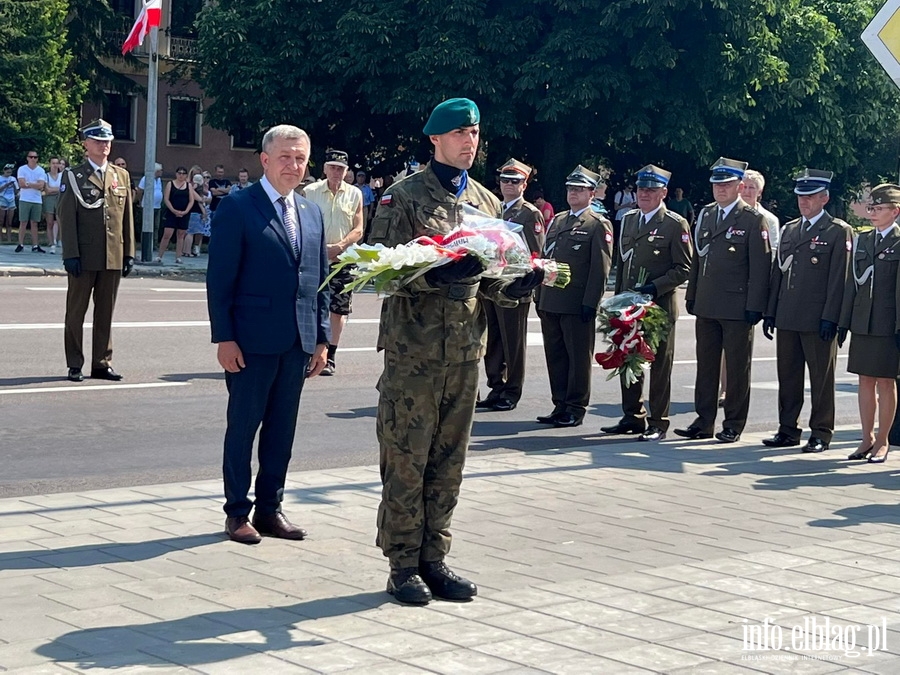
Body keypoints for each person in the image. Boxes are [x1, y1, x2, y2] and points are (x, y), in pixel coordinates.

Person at [368, 98, 542, 605]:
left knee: (449, 460)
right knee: (405, 458)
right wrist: (433, 275)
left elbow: (493, 284)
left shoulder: (487, 204)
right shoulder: (401, 198)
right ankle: (402, 565)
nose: (470, 142)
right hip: (414, 352)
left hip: (465, 351)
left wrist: (521, 282)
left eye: (475, 133)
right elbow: (379, 272)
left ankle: (434, 559)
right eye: (460, 133)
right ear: (436, 140)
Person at [206, 124, 331, 544]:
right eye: (284, 157)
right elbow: (219, 279)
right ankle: (236, 513)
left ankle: (270, 509)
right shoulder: (238, 207)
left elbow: (319, 280)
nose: (293, 165)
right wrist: (224, 337)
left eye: (300, 158)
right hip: (250, 341)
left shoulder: (311, 212)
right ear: (264, 159)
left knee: (282, 430)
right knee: (243, 428)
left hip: (297, 342)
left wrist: (321, 338)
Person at [676, 158, 770, 443]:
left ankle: (733, 423)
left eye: (727, 184)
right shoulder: (706, 215)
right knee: (706, 365)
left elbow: (761, 267)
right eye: (717, 184)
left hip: (737, 306)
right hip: (707, 302)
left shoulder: (753, 219)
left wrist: (756, 305)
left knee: (738, 368)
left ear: (740, 187)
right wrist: (692, 294)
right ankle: (704, 421)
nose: (720, 189)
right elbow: (698, 259)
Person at [761, 169, 850, 454]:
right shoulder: (789, 229)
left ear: (824, 198)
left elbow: (840, 279)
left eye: (810, 196)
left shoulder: (837, 231)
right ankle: (787, 429)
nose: (804, 201)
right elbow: (779, 273)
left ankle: (821, 432)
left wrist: (831, 316)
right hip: (788, 315)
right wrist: (771, 311)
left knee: (821, 379)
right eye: (801, 196)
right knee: (788, 376)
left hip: (817, 318)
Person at [601, 165, 692, 442]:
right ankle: (632, 416)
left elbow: (684, 267)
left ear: (664, 192)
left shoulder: (675, 224)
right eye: (641, 189)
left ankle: (658, 421)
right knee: (628, 358)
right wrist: (616, 302)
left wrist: (655, 287)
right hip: (629, 306)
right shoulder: (629, 220)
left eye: (652, 190)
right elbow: (624, 263)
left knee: (660, 364)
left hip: (658, 308)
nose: (645, 194)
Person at [536, 165, 614, 428]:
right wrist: (539, 294)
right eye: (570, 188)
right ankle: (560, 404)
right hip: (551, 301)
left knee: (578, 359)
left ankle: (575, 407)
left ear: (592, 193)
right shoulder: (558, 220)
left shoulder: (596, 224)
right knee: (556, 355)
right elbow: (546, 259)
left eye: (579, 189)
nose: (573, 193)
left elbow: (599, 269)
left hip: (575, 302)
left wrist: (590, 302)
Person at [58, 119, 134, 383]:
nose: (104, 145)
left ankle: (102, 362)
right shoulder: (74, 176)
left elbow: (127, 218)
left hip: (112, 255)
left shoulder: (120, 175)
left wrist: (129, 252)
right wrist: (70, 254)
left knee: (105, 314)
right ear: (86, 144)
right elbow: (67, 218)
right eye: (99, 141)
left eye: (108, 141)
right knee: (76, 313)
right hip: (84, 256)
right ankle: (75, 364)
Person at [477, 158, 545, 411]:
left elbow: (535, 253)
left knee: (513, 343)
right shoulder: (494, 209)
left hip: (515, 286)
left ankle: (512, 390)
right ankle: (496, 385)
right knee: (493, 338)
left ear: (524, 184)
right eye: (505, 180)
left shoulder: (529, 213)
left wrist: (525, 285)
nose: (508, 185)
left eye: (514, 181)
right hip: (492, 284)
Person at [839, 184, 900, 464]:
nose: (872, 213)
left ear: (895, 211)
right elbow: (852, 282)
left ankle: (883, 440)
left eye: (878, 208)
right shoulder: (864, 241)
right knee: (864, 380)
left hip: (889, 322)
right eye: (870, 208)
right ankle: (867, 438)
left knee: (886, 383)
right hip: (863, 320)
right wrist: (844, 321)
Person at [303, 149, 364, 376]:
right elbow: (302, 224)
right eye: (332, 167)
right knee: (309, 306)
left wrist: (339, 247)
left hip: (344, 259)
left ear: (347, 171)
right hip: (314, 258)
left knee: (338, 309)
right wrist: (320, 249)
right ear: (325, 169)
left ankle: (331, 355)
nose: (336, 172)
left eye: (341, 168)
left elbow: (358, 228)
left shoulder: (354, 194)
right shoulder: (310, 192)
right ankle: (310, 353)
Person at [156, 167, 193, 264]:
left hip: (184, 213)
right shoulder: (170, 184)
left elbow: (191, 200)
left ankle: (178, 257)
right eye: (179, 173)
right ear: (176, 174)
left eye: (183, 173)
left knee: (181, 235)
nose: (181, 175)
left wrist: (185, 211)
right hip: (172, 213)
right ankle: (159, 256)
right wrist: (173, 210)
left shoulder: (189, 186)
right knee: (167, 234)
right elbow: (166, 199)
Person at [16, 151, 47, 253]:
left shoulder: (41, 170)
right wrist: (35, 184)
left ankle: (35, 245)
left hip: (37, 200)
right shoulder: (22, 169)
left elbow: (41, 185)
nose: (33, 159)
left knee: (34, 223)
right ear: (27, 158)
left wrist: (28, 183)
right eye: (31, 157)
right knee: (23, 222)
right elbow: (21, 184)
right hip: (25, 199)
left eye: (35, 157)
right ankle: (20, 244)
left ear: (37, 158)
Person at [135, 163, 164, 243]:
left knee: (156, 226)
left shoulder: (159, 180)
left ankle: (154, 243)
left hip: (157, 206)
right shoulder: (145, 179)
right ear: (155, 171)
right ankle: (145, 243)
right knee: (146, 226)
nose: (162, 172)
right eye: (160, 170)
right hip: (147, 206)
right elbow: (140, 191)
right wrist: (140, 201)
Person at [185, 173, 210, 257]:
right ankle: (187, 251)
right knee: (191, 232)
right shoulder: (195, 189)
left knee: (193, 232)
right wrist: (204, 212)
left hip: (194, 212)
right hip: (195, 212)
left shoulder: (193, 188)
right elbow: (200, 202)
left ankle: (189, 250)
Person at [43, 158, 63, 253]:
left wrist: (53, 189)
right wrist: (57, 189)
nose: (55, 165)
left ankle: (59, 239)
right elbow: (47, 190)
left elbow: (64, 188)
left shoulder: (62, 175)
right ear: (50, 164)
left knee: (60, 221)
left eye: (57, 163)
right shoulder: (46, 175)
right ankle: (51, 243)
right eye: (53, 163)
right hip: (49, 199)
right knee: (50, 222)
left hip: (60, 199)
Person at [1, 163, 18, 243]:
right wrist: (6, 185)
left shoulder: (13, 179)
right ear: (4, 171)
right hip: (2, 199)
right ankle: (1, 238)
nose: (9, 174)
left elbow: (16, 191)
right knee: (1, 220)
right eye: (7, 172)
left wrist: (14, 185)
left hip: (11, 200)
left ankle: (9, 239)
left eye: (10, 173)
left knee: (9, 221)